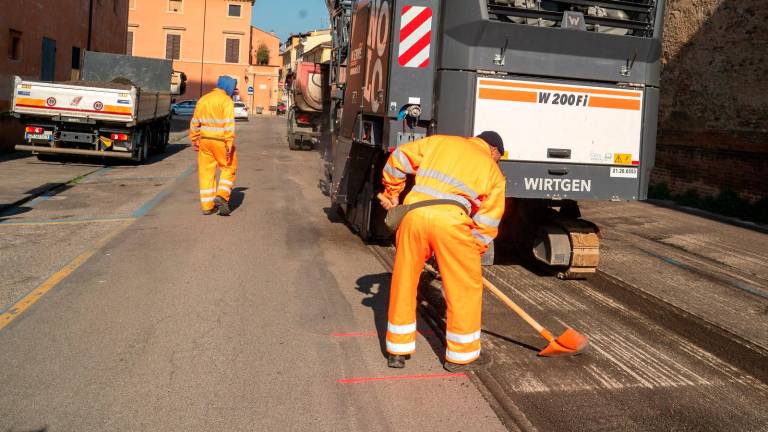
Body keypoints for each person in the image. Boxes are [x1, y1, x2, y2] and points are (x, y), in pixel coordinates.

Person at [379, 131, 506, 372]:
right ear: (493, 151)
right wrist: (471, 253)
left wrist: (392, 192)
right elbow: (488, 221)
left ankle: (397, 350)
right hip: (452, 221)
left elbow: (398, 159)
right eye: (498, 157)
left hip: (413, 216)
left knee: (404, 280)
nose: (497, 161)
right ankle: (461, 355)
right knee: (464, 286)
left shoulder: (439, 142)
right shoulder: (492, 171)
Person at [189, 76, 238, 216]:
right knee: (229, 167)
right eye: (233, 87)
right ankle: (222, 196)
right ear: (227, 87)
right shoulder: (226, 101)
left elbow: (194, 122)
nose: (233, 90)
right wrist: (229, 144)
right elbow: (229, 124)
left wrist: (194, 140)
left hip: (204, 141)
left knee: (206, 173)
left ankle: (207, 206)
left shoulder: (203, 99)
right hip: (220, 141)